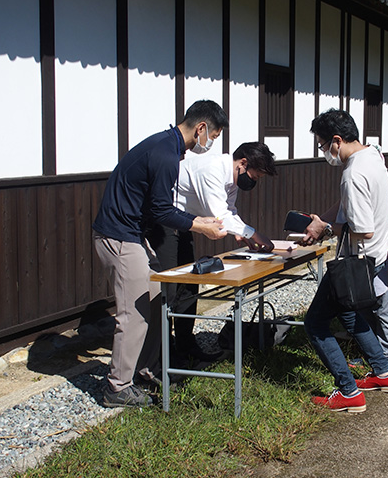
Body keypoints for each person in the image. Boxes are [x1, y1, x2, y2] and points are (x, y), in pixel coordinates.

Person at [92, 100, 229, 408]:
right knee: (134, 314)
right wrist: (200, 226)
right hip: (119, 237)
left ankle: (147, 369)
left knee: (154, 302)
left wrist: (199, 222)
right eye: (214, 137)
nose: (211, 144)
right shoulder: (166, 154)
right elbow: (161, 210)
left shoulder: (166, 146)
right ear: (201, 128)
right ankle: (117, 387)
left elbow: (159, 207)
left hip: (132, 235)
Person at [300, 109, 388, 413]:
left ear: (337, 140)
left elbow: (363, 228)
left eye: (322, 145)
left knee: (315, 322)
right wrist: (323, 220)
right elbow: (348, 205)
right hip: (377, 257)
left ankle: (348, 391)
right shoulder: (374, 156)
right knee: (350, 314)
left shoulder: (352, 174)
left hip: (355, 262)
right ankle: (384, 373)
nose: (324, 153)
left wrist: (326, 228)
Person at [147, 142, 278, 364]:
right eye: (255, 177)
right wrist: (255, 235)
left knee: (189, 283)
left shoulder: (232, 178)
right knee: (169, 285)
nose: (254, 182)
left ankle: (186, 344)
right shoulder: (212, 169)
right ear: (243, 163)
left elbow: (230, 212)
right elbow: (219, 215)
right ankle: (162, 353)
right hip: (164, 221)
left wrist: (244, 235)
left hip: (186, 221)